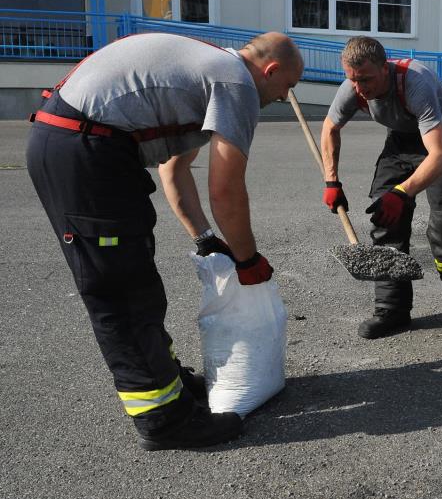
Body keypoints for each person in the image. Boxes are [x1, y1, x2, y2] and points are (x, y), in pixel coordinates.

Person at [27, 31, 303, 451]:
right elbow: (226, 191)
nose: (284, 97)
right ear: (271, 70)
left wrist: (206, 238)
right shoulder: (236, 84)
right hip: (85, 150)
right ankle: (162, 419)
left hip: (89, 146)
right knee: (121, 291)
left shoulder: (208, 74)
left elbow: (175, 171)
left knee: (138, 280)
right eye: (288, 87)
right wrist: (247, 261)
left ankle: (167, 383)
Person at [321, 36, 442, 339]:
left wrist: (402, 192)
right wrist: (332, 181)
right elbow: (330, 128)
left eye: (366, 79)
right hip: (401, 138)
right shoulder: (354, 87)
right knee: (385, 221)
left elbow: (439, 155)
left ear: (386, 68)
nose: (360, 89)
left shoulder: (415, 82)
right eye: (353, 80)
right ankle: (392, 310)